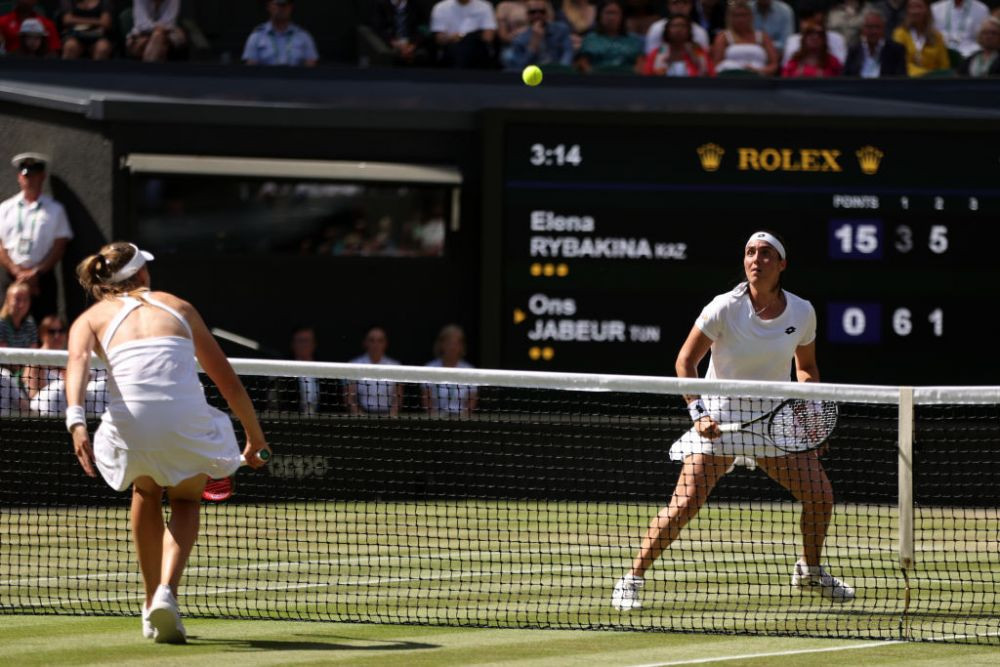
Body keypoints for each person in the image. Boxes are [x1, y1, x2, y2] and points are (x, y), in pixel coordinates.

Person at [612, 231, 855, 612]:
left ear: (781, 264)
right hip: (721, 419)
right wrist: (699, 413)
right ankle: (631, 579)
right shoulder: (723, 307)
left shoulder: (803, 311)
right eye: (749, 252)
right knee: (685, 505)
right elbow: (685, 362)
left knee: (820, 497)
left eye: (765, 253)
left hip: (774, 422)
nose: (756, 259)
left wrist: (810, 419)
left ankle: (809, 571)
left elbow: (805, 369)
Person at [65, 242, 270, 643]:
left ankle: (149, 605)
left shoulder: (90, 318)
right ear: (141, 275)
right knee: (186, 500)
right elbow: (226, 381)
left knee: (145, 489)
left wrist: (76, 422)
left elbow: (76, 364)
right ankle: (167, 593)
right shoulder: (179, 306)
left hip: (132, 425)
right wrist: (255, 437)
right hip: (183, 420)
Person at [0, 153, 74, 323]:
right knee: (7, 324)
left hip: (42, 278)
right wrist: (16, 270)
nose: (29, 180)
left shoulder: (55, 209)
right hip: (11, 276)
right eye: (26, 175)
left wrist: (37, 272)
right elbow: (0, 244)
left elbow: (60, 245)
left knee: (45, 324)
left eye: (33, 175)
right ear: (19, 177)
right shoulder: (5, 208)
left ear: (42, 176)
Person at [421, 324, 478, 417]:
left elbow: (472, 399)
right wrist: (434, 417)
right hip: (436, 418)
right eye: (449, 343)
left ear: (461, 346)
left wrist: (464, 417)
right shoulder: (429, 368)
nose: (452, 347)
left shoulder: (469, 370)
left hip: (461, 419)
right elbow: (426, 399)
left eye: (456, 343)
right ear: (441, 345)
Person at [346, 326, 404, 416]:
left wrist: (391, 416)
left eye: (380, 341)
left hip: (388, 415)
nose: (376, 344)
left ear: (386, 343)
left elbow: (398, 397)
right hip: (363, 414)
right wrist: (360, 416)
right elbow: (349, 398)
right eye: (372, 340)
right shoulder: (354, 365)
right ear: (365, 343)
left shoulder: (395, 366)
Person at [711, 0, 779, 75]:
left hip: (759, 77)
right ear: (730, 18)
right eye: (737, 15)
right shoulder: (723, 37)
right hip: (731, 77)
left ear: (751, 17)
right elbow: (716, 64)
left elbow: (774, 64)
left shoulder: (763, 36)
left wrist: (759, 71)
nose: (740, 19)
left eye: (744, 15)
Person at [242, 0, 318, 66]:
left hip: (295, 80)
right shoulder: (256, 36)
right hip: (266, 80)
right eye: (278, 5)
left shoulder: (304, 36)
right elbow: (250, 70)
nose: (281, 9)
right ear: (268, 6)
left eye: (284, 5)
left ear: (291, 8)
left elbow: (311, 69)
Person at [502, 0, 574, 70]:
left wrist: (561, 69)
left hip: (558, 73)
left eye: (541, 12)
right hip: (534, 76)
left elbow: (567, 52)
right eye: (533, 12)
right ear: (527, 15)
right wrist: (533, 45)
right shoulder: (519, 39)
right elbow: (520, 67)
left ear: (547, 14)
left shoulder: (561, 30)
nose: (537, 15)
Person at [577, 0, 644, 73]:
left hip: (627, 81)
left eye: (615, 13)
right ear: (599, 16)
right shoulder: (590, 39)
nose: (611, 17)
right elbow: (582, 64)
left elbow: (640, 64)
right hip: (597, 80)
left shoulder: (633, 40)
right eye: (608, 13)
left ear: (622, 16)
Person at [643, 13, 716, 75]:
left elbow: (710, 75)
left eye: (683, 26)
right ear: (667, 30)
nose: (679, 29)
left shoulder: (698, 51)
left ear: (689, 30)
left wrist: (695, 58)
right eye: (674, 26)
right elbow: (647, 77)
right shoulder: (657, 53)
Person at [430, 0, 497, 68]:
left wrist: (466, 37)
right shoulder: (441, 7)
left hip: (476, 46)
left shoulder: (484, 6)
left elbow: (488, 37)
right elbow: (439, 39)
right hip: (451, 46)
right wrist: (451, 38)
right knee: (457, 49)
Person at [892, 0, 951, 75]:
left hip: (935, 82)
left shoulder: (937, 36)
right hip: (909, 81)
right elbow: (901, 64)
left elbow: (944, 65)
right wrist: (926, 74)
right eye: (911, 7)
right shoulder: (899, 34)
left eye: (918, 7)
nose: (915, 11)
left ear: (927, 9)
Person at [844, 8, 908, 76]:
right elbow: (845, 78)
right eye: (869, 27)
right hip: (858, 86)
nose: (873, 31)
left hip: (885, 86)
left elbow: (901, 80)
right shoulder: (854, 50)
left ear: (883, 29)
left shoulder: (896, 50)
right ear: (863, 30)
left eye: (877, 27)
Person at [781, 6, 848, 66]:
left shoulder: (836, 39)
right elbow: (786, 68)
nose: (814, 38)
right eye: (805, 20)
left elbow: (841, 67)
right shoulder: (793, 40)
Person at [645, 0, 712, 53]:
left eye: (685, 2)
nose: (680, 6)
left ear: (691, 5)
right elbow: (650, 55)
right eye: (675, 2)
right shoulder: (656, 28)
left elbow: (704, 60)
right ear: (669, 5)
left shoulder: (700, 31)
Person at [0, 281, 37, 348]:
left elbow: (33, 353)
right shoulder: (1, 324)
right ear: (7, 301)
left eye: (25, 300)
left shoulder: (30, 325)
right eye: (17, 299)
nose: (21, 305)